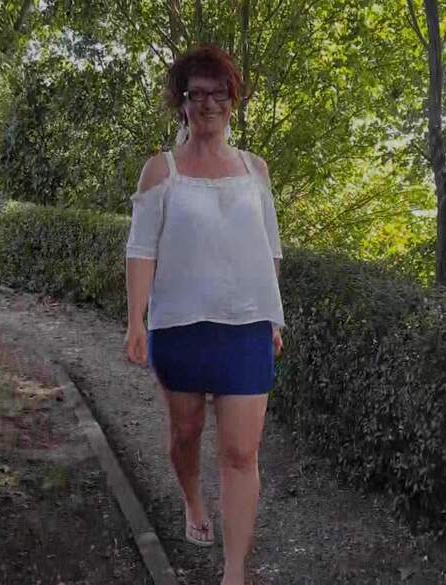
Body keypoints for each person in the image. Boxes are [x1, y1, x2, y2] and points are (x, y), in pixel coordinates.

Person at [124, 44, 285, 585]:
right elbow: (141, 250)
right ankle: (193, 499)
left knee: (241, 452)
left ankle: (233, 572)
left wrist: (273, 318)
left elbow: (269, 249)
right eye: (198, 94)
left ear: (233, 100)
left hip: (246, 330)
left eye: (219, 93)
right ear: (183, 102)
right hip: (179, 328)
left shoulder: (255, 170)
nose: (209, 103)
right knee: (186, 432)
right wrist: (136, 321)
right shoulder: (161, 171)